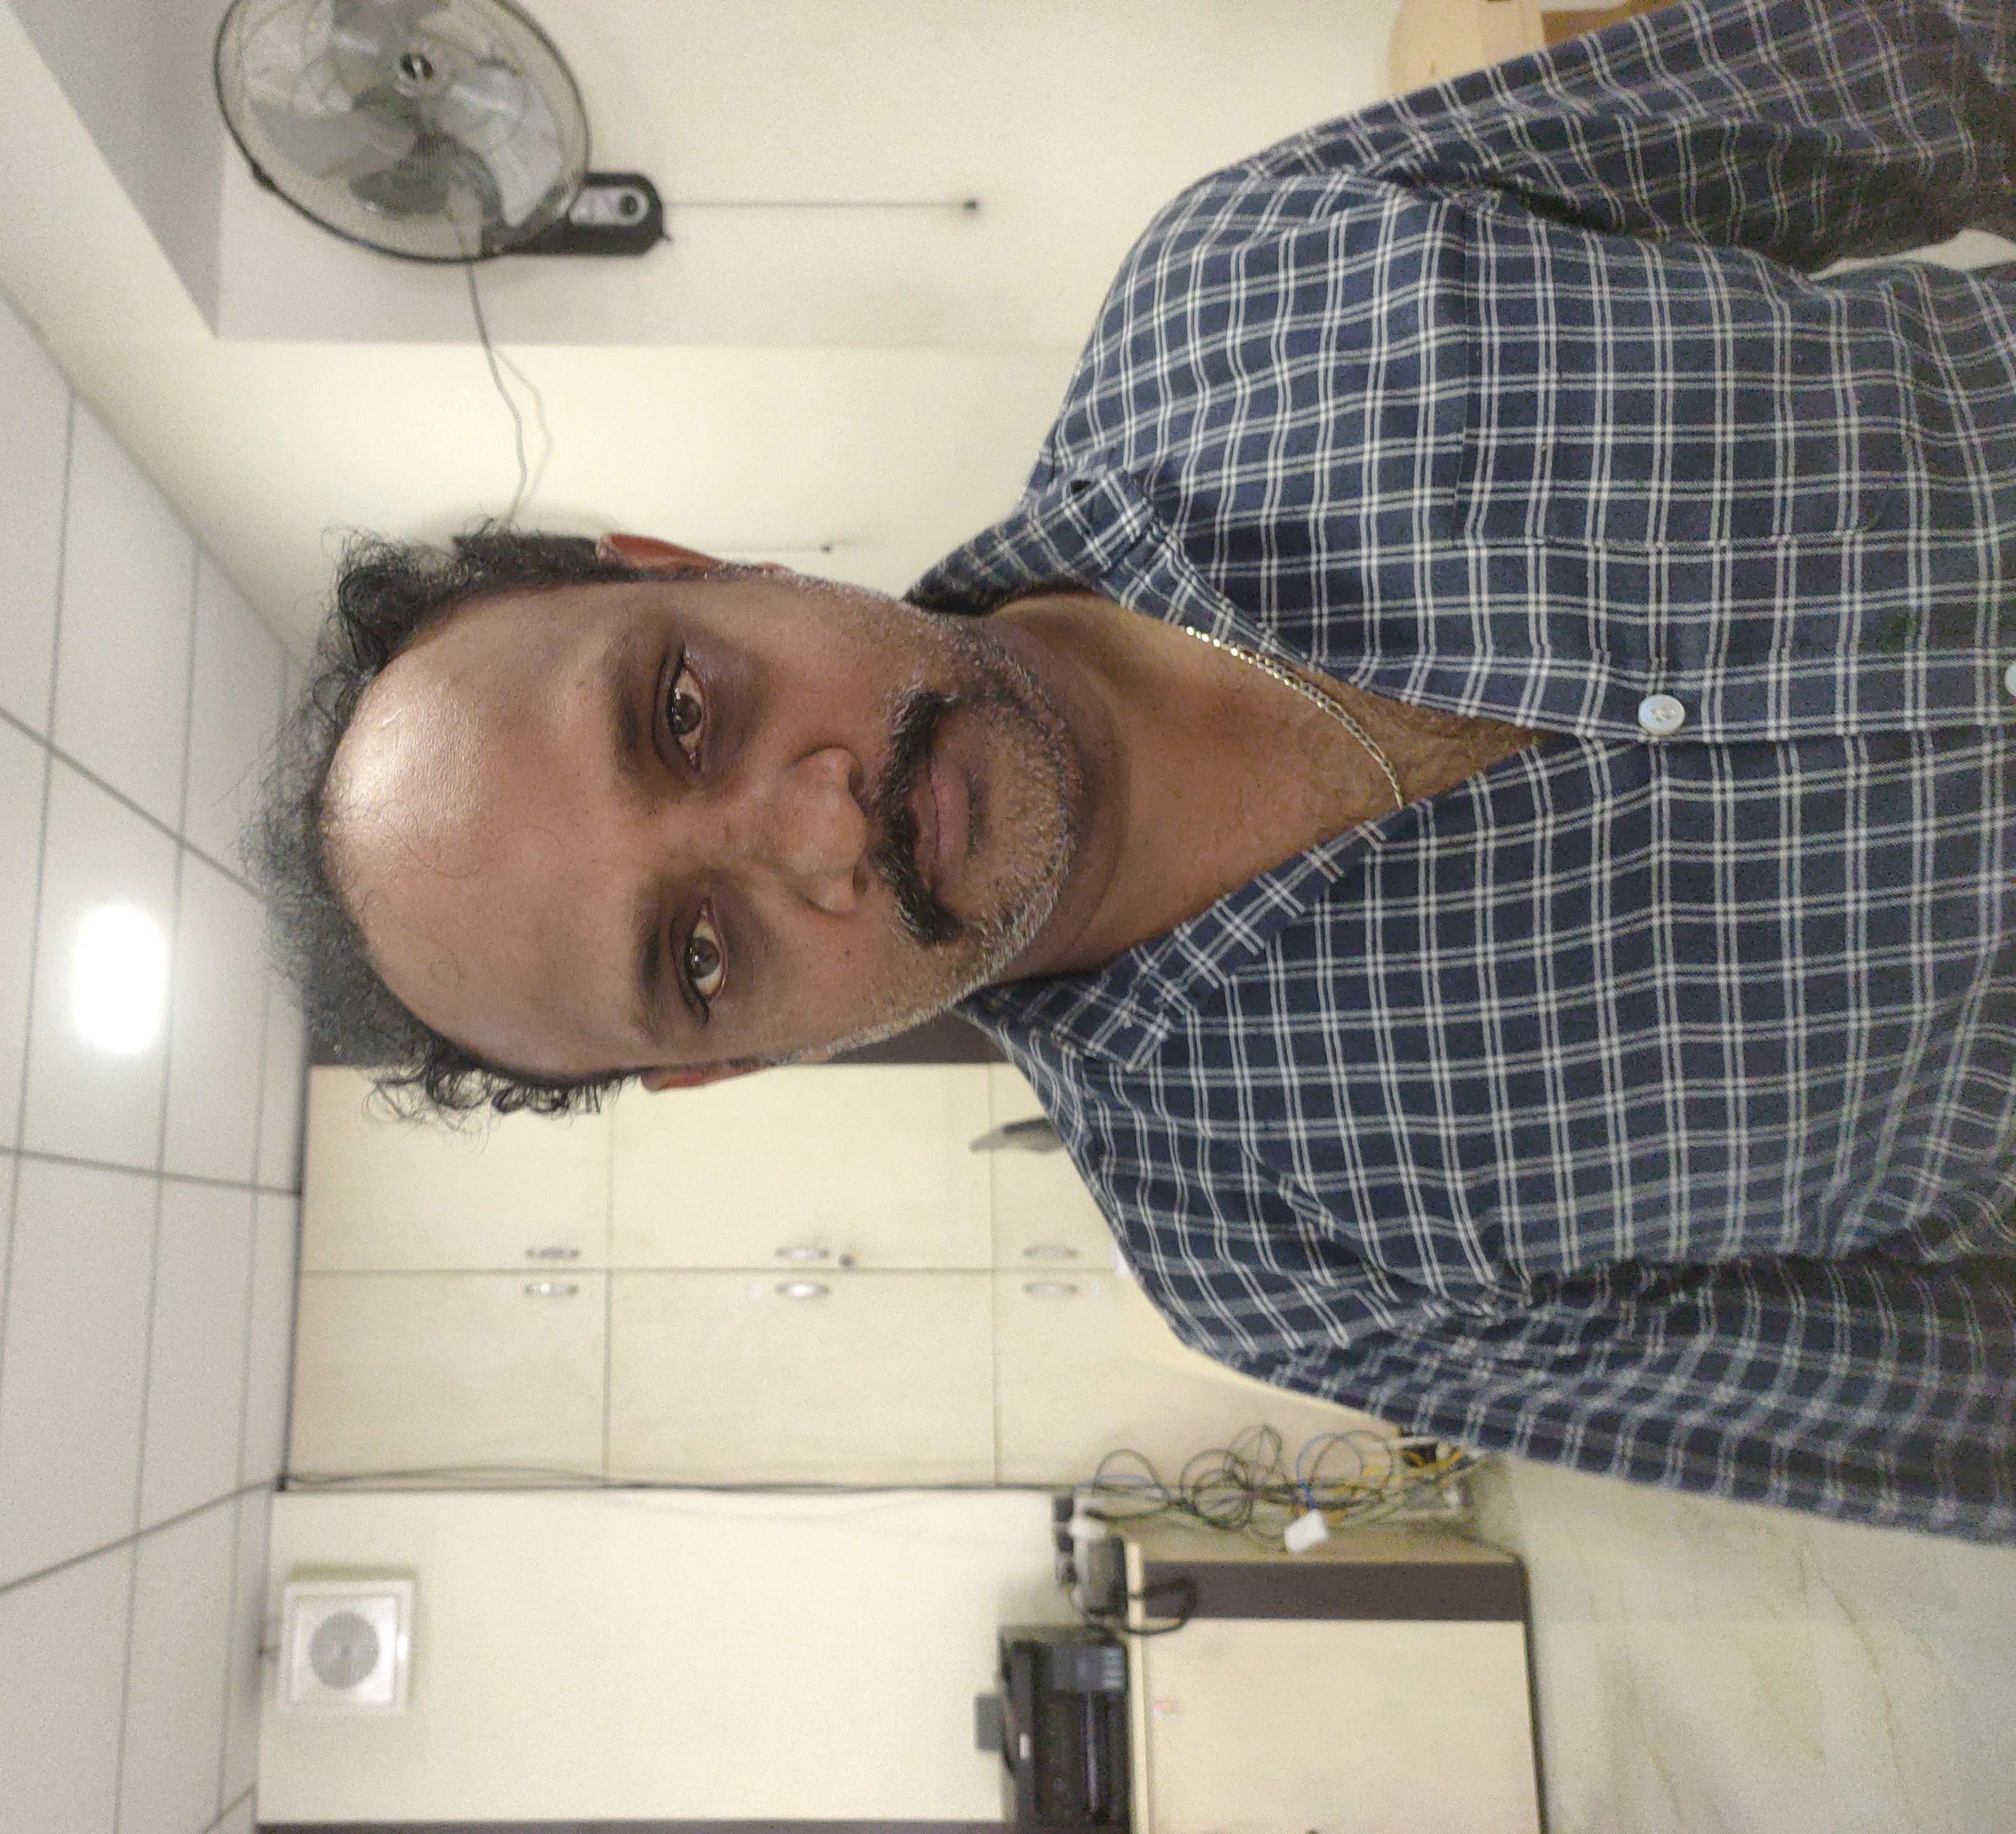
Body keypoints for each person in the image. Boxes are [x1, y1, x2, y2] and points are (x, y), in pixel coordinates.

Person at [253, 0, 2016, 1541]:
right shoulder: (1279, 1266)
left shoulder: (1258, 279)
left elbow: (1933, 74)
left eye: (682, 714)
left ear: (682, 565)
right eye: (700, 952)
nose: (816, 823)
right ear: (731, 1062)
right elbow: (1958, 1416)